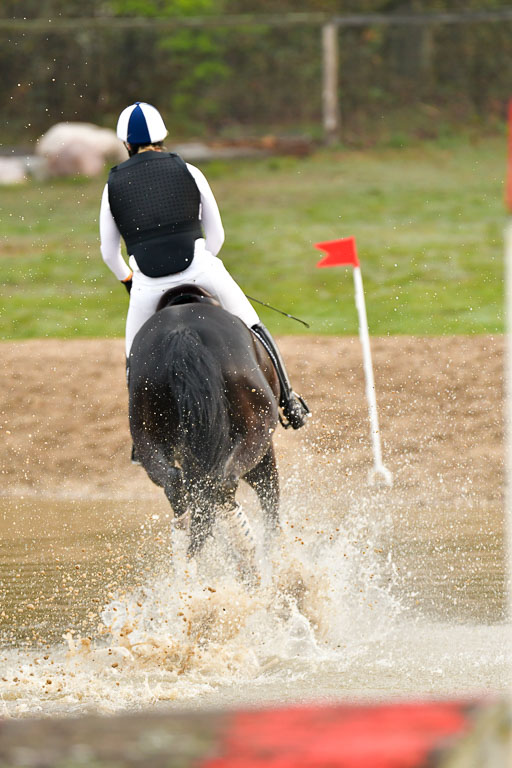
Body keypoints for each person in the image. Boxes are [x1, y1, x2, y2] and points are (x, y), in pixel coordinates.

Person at [99, 101, 310, 431]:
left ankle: (140, 437)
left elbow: (109, 254)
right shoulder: (188, 170)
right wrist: (202, 263)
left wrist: (129, 281)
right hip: (201, 270)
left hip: (148, 285)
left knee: (134, 360)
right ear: (163, 135)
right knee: (254, 327)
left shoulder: (112, 185)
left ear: (126, 143)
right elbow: (217, 234)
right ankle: (289, 402)